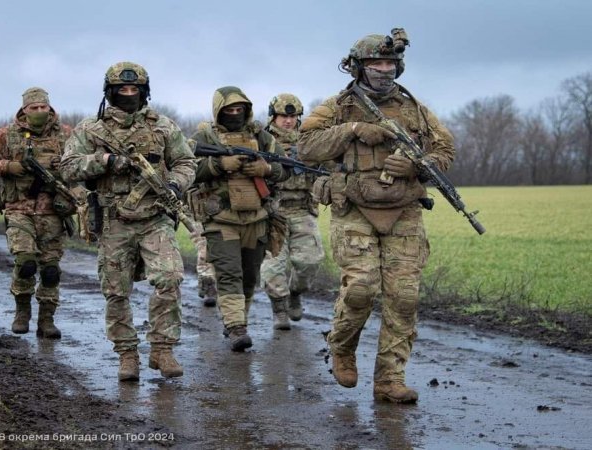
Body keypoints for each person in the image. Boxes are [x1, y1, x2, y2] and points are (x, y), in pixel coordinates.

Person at [298, 30, 455, 403]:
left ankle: (390, 380)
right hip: (354, 208)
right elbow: (305, 146)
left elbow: (445, 148)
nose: (384, 70)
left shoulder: (415, 109)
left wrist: (418, 166)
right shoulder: (337, 107)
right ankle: (342, 346)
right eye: (375, 63)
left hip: (403, 209)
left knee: (404, 296)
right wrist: (352, 130)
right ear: (357, 67)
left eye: (389, 63)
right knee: (361, 288)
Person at [59, 62, 196, 382]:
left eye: (135, 89)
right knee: (116, 291)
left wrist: (175, 185)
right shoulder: (91, 129)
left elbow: (186, 162)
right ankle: (127, 354)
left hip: (155, 217)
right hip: (114, 219)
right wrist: (106, 161)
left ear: (144, 92)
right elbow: (67, 167)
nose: (129, 94)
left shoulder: (163, 126)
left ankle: (162, 348)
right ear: (110, 92)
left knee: (170, 277)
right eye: (122, 89)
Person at [188, 86, 290, 351]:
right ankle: (236, 328)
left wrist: (266, 169)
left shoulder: (263, 137)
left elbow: (286, 169)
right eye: (229, 110)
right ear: (218, 111)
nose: (235, 114)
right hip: (220, 219)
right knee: (229, 274)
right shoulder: (205, 137)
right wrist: (219, 165)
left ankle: (236, 319)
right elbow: (186, 168)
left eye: (239, 109)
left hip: (257, 218)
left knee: (249, 277)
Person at [0, 87, 72, 339]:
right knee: (26, 262)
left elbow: (81, 165)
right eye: (34, 108)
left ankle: (47, 321)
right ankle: (22, 312)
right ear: (24, 109)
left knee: (51, 270)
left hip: (53, 212)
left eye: (44, 107)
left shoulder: (65, 134)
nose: (40, 111)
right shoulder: (8, 134)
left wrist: (62, 167)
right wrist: (10, 166)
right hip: (18, 209)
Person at [260, 94, 324, 330]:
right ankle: (279, 308)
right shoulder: (262, 140)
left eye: (293, 116)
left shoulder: (309, 139)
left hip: (302, 210)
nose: (288, 121)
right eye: (282, 116)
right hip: (272, 211)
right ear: (273, 117)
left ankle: (296, 292)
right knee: (272, 268)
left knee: (310, 261)